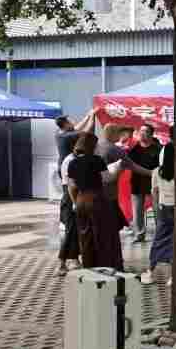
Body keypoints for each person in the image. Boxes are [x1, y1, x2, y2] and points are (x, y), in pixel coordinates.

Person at [67, 133, 127, 271]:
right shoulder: (97, 160)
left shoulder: (72, 162)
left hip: (80, 200)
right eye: (97, 144)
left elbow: (72, 186)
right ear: (92, 146)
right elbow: (107, 179)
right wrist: (118, 170)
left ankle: (89, 266)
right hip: (97, 200)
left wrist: (75, 202)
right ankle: (106, 266)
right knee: (103, 234)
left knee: (85, 236)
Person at [143, 141, 176, 286]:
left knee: (159, 240)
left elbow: (154, 193)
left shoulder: (156, 171)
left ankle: (150, 271)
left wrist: (157, 209)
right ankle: (173, 276)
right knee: (175, 242)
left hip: (163, 209)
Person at [127, 124, 161, 243]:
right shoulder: (134, 149)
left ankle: (160, 234)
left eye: (145, 131)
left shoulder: (158, 149)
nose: (141, 133)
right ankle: (139, 234)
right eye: (140, 131)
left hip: (154, 184)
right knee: (137, 210)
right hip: (137, 183)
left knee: (157, 209)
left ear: (151, 134)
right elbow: (129, 165)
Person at [58, 145, 82, 274]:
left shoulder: (72, 159)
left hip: (73, 197)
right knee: (71, 231)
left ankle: (74, 259)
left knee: (75, 231)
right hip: (70, 199)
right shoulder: (70, 161)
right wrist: (74, 203)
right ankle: (61, 263)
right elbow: (70, 185)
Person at [55, 110, 97, 177]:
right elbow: (88, 129)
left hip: (63, 166)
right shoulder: (69, 136)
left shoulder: (59, 133)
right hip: (68, 167)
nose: (73, 121)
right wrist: (92, 115)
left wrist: (88, 116)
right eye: (70, 121)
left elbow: (76, 128)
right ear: (66, 124)